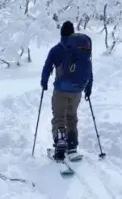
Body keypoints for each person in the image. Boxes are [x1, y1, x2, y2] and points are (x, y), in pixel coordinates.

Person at [40, 20, 93, 160]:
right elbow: (89, 70)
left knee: (59, 117)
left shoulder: (56, 49)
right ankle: (72, 146)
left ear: (61, 33)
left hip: (61, 90)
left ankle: (60, 144)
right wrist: (88, 88)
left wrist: (44, 82)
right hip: (77, 91)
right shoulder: (82, 49)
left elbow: (47, 67)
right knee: (72, 117)